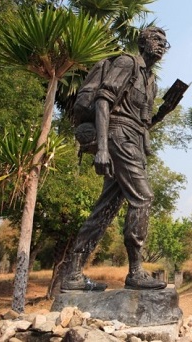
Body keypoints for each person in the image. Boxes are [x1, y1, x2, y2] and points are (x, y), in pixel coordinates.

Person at [62, 26, 176, 292]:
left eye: (165, 43)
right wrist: (102, 148)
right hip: (115, 134)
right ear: (144, 43)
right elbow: (103, 102)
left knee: (107, 208)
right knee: (143, 197)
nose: (161, 46)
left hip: (132, 139)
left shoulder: (151, 81)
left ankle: (73, 274)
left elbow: (143, 124)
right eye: (157, 40)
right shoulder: (127, 63)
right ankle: (135, 271)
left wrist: (164, 111)